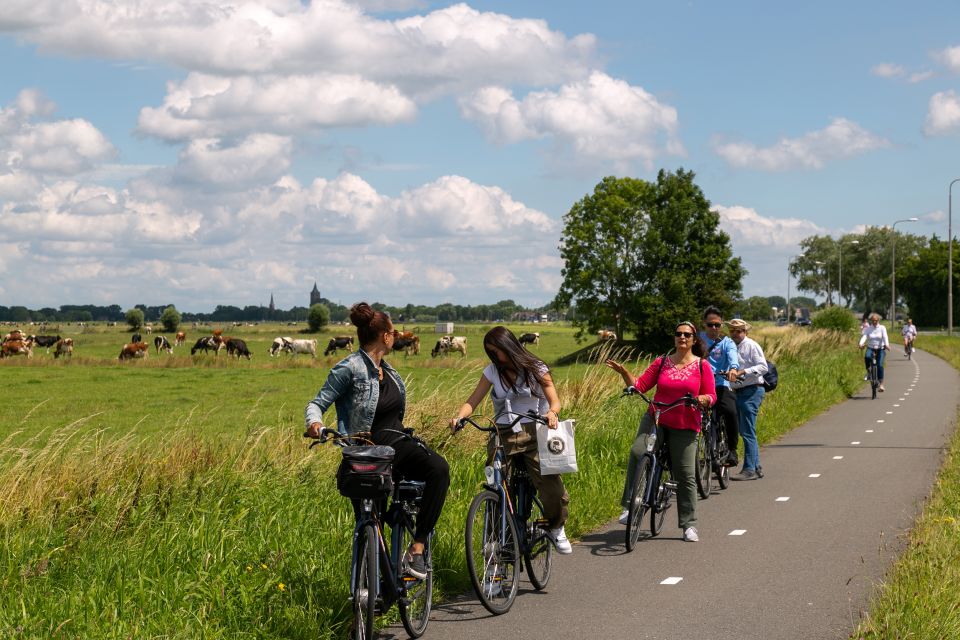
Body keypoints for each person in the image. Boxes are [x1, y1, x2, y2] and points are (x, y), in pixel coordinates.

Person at [305, 302, 450, 579]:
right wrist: (316, 424)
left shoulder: (390, 370)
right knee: (370, 523)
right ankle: (370, 597)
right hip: (365, 454)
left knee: (438, 470)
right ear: (385, 336)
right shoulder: (349, 368)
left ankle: (417, 549)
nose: (395, 336)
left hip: (398, 446)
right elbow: (317, 403)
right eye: (393, 332)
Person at [450, 326, 572, 554]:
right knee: (495, 487)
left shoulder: (536, 368)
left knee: (551, 485)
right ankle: (496, 545)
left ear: (509, 346)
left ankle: (556, 526)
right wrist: (459, 417)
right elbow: (473, 400)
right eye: (490, 352)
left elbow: (554, 401)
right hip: (502, 434)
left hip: (534, 432)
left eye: (497, 351)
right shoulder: (492, 372)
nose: (495, 357)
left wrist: (552, 414)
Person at [606, 321, 716, 543]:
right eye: (678, 334)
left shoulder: (702, 366)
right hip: (656, 418)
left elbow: (712, 395)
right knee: (638, 452)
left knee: (685, 474)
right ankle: (631, 506)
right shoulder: (662, 362)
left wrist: (703, 399)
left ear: (694, 340)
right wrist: (625, 373)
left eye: (687, 334)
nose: (682, 337)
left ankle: (689, 524)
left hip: (685, 424)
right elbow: (640, 386)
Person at [700, 306, 742, 467]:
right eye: (710, 325)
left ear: (722, 325)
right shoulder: (698, 340)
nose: (714, 328)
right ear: (704, 324)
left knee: (731, 411)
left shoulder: (727, 342)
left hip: (721, 383)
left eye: (717, 325)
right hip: (702, 385)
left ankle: (732, 449)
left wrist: (733, 369)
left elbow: (733, 357)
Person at [727, 319, 768, 481]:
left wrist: (744, 371)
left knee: (747, 430)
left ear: (745, 331)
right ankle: (756, 467)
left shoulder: (751, 345)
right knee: (744, 430)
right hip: (738, 391)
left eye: (739, 330)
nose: (736, 334)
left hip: (751, 391)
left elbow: (763, 367)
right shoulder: (732, 347)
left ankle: (749, 469)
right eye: (732, 331)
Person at [858, 312, 890, 392]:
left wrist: (886, 345)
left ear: (878, 320)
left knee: (879, 365)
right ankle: (869, 372)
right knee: (867, 357)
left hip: (880, 348)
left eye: (876, 320)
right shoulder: (868, 329)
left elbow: (885, 336)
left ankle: (881, 384)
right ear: (871, 321)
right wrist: (861, 344)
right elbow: (864, 336)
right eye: (873, 320)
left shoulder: (882, 328)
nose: (874, 322)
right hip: (871, 347)